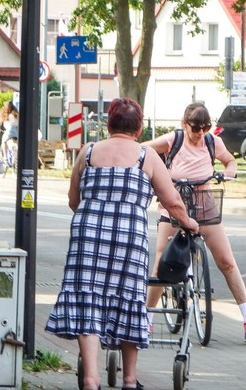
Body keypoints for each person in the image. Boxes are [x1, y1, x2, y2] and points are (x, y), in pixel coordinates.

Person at [46, 97, 199, 390]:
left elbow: (73, 201)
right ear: (139, 128)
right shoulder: (146, 157)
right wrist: (190, 223)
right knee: (129, 299)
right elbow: (173, 202)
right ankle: (129, 380)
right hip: (128, 237)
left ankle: (91, 379)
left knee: (86, 300)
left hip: (87, 235)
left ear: (108, 124)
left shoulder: (87, 153)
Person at [142, 103, 246, 343]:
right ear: (185, 124)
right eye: (196, 128)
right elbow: (143, 150)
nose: (200, 133)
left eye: (206, 128)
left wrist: (229, 173)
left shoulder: (213, 142)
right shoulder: (174, 139)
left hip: (205, 204)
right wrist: (158, 172)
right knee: (161, 264)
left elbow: (230, 161)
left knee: (227, 261)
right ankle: (147, 319)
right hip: (175, 205)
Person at [0, 99, 19, 165]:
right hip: (17, 131)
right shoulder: (16, 114)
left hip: (9, 132)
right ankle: (16, 159)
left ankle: (5, 158)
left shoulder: (4, 114)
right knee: (17, 144)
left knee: (3, 141)